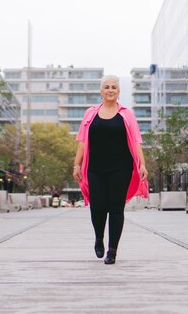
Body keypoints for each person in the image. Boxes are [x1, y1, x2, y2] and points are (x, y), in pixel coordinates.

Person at [72, 75, 149, 265]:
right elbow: (82, 141)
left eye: (114, 87)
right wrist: (77, 164)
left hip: (121, 167)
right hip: (95, 167)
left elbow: (137, 141)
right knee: (97, 207)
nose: (110, 89)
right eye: (106, 87)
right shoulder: (90, 114)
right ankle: (99, 238)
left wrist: (142, 164)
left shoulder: (126, 114)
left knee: (116, 208)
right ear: (101, 91)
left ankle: (112, 250)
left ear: (119, 91)